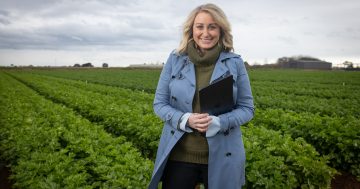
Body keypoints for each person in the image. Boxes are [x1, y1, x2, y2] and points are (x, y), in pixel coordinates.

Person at [148, 3, 254, 189]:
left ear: (221, 30)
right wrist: (184, 119)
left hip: (223, 154)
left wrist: (221, 122)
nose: (206, 33)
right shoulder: (175, 59)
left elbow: (247, 108)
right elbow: (159, 103)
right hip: (180, 155)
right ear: (191, 30)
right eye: (200, 26)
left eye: (212, 26)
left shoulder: (235, 62)